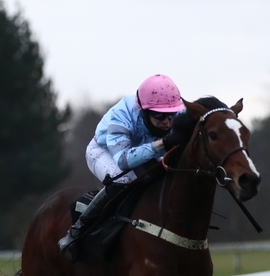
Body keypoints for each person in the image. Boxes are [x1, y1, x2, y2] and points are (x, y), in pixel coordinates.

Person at [58, 74, 186, 261]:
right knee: (124, 180)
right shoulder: (122, 116)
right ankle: (76, 233)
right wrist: (162, 143)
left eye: (171, 115)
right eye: (160, 116)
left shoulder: (177, 115)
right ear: (144, 110)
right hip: (106, 152)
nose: (167, 122)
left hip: (142, 151)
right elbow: (124, 161)